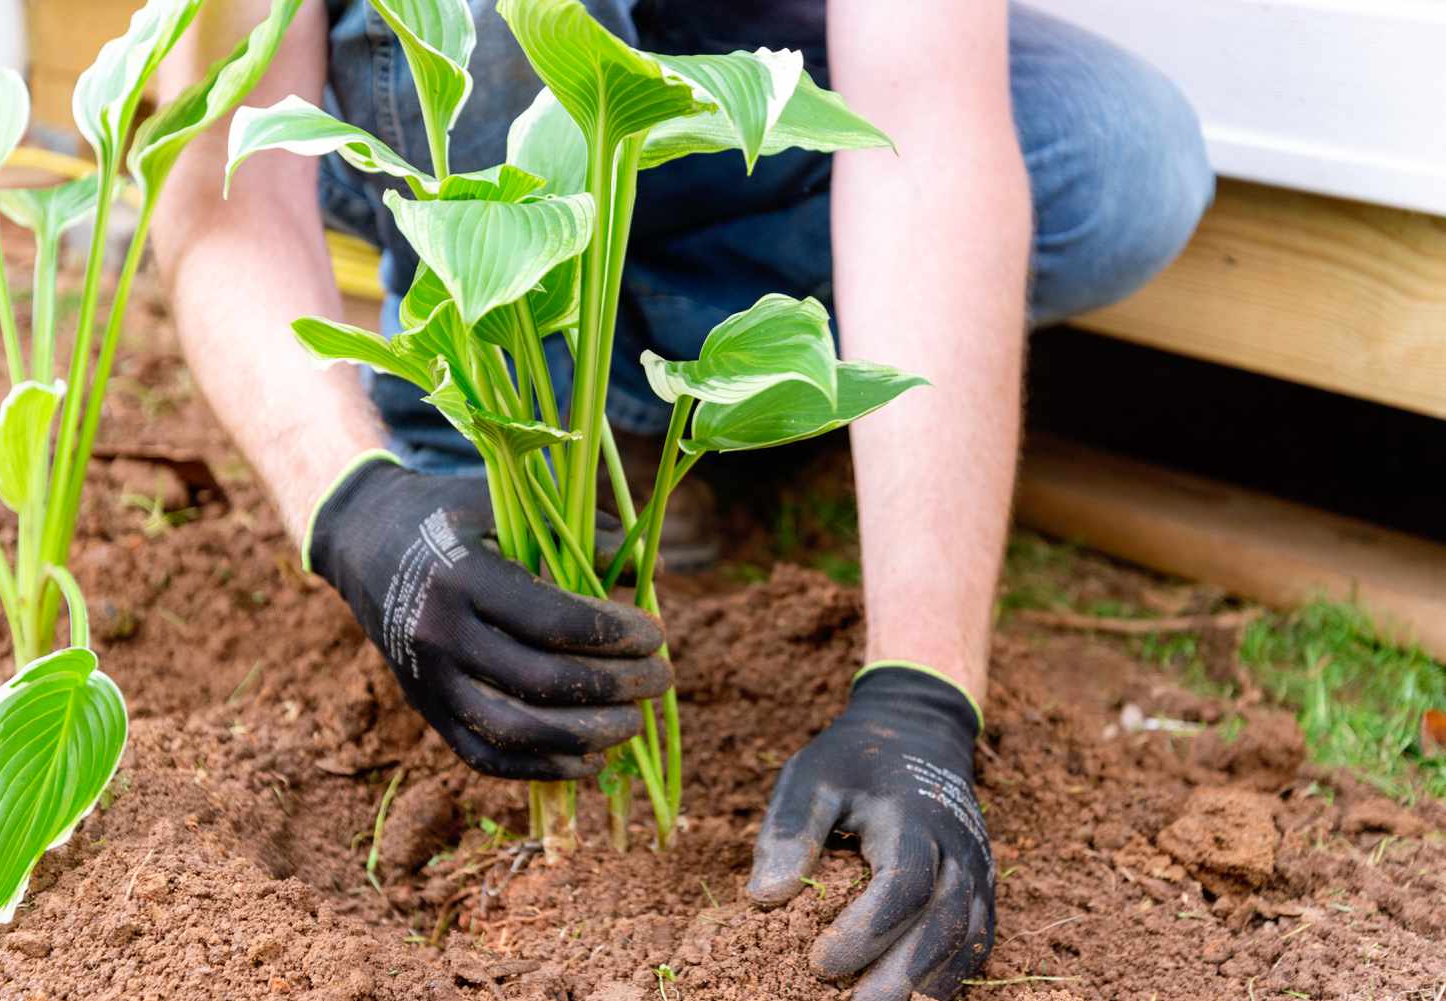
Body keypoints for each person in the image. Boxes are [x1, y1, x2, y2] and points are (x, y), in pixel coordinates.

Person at [153, 2, 1212, 998]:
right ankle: (485, 377)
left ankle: (646, 399)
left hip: (725, 81)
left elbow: (930, 123)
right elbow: (226, 177)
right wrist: (354, 503)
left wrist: (920, 692)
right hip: (446, 96)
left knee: (1118, 157)